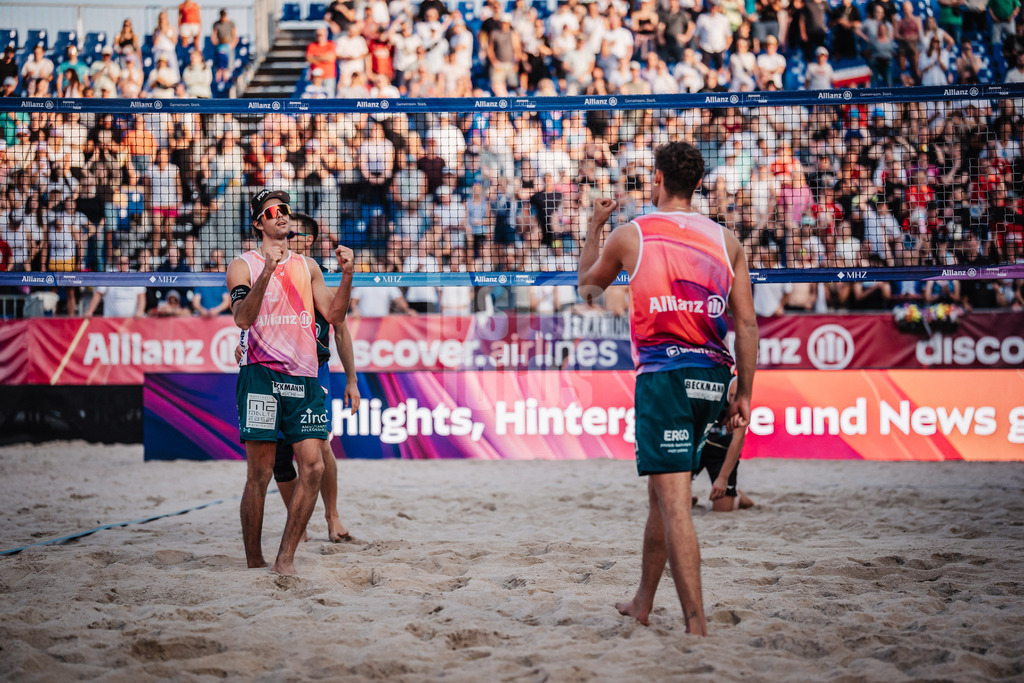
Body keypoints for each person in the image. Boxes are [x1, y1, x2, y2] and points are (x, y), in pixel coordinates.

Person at [577, 141, 758, 635]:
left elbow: (588, 290)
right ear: (698, 185)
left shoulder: (631, 234)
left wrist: (594, 227)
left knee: (676, 505)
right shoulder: (726, 239)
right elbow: (746, 325)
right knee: (662, 494)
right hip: (715, 379)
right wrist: (743, 393)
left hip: (665, 378)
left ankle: (696, 626)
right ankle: (642, 601)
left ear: (656, 179)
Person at [227, 189, 354, 576]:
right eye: (272, 211)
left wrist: (347, 276)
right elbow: (242, 318)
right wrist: (267, 271)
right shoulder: (243, 265)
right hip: (261, 375)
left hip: (303, 376)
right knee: (260, 474)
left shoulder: (307, 266)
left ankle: (285, 558)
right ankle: (254, 561)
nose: (282, 214)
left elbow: (335, 317)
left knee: (313, 467)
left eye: (284, 209)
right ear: (258, 223)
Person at [271, 212, 360, 544]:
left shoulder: (319, 277)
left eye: (290, 233)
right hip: (274, 368)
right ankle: (299, 521)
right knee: (280, 455)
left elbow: (341, 332)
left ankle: (332, 517)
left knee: (320, 446)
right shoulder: (268, 272)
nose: (282, 237)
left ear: (306, 240)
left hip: (314, 369)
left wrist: (351, 380)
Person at [692, 378, 755, 512]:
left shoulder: (733, 385)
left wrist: (723, 478)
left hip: (721, 452)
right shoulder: (688, 374)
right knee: (669, 498)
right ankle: (686, 496)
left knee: (722, 511)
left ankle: (737, 496)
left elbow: (738, 439)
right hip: (695, 448)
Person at [85, 253, 146, 317]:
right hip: (111, 319)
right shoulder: (109, 274)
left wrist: (140, 311)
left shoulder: (136, 275)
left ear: (128, 264)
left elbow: (141, 296)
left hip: (130, 320)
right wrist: (90, 311)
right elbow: (98, 294)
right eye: (121, 262)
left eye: (125, 262)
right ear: (117, 263)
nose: (123, 265)